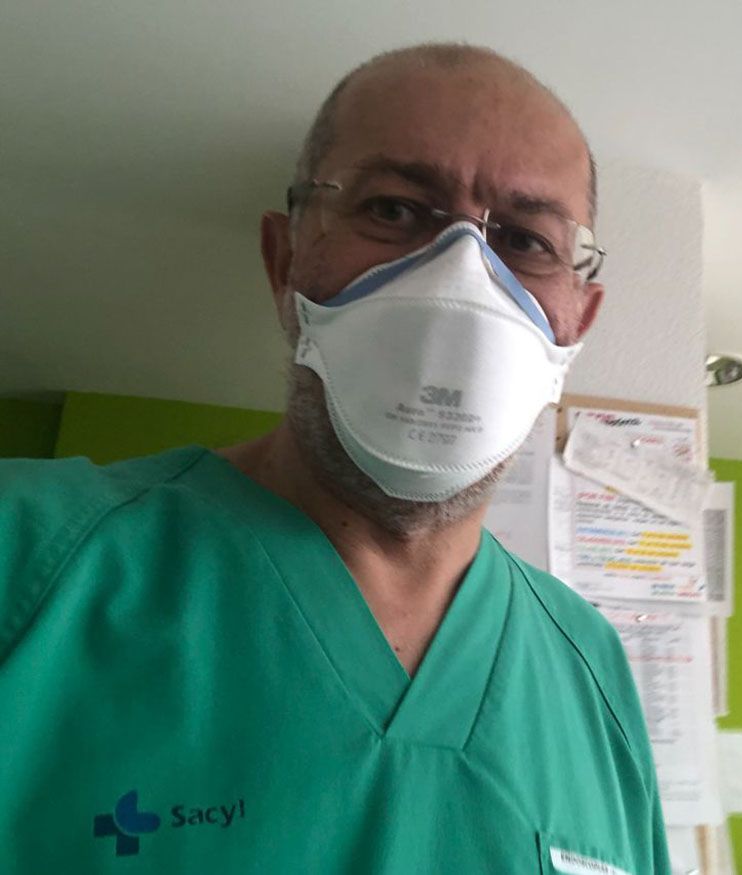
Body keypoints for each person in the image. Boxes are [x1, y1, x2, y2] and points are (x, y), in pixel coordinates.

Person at [0, 43, 670, 873]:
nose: (462, 278)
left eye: (527, 239)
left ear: (578, 320)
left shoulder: (594, 674)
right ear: (284, 261)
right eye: (395, 209)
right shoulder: (30, 556)